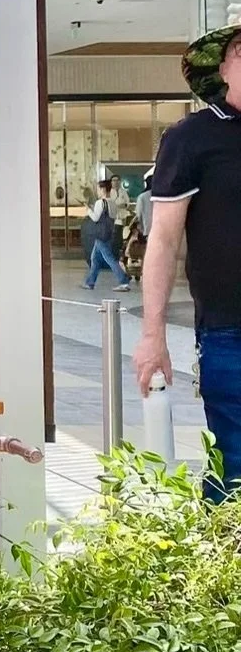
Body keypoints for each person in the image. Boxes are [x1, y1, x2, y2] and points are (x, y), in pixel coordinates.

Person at [134, 25, 241, 496]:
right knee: (235, 463)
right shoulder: (192, 137)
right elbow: (162, 240)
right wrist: (152, 336)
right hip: (228, 330)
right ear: (223, 68)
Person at [82, 179, 132, 292]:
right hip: (109, 232)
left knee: (109, 259)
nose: (97, 192)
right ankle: (90, 282)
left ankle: (124, 281)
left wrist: (88, 210)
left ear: (103, 189)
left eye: (98, 189)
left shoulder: (101, 202)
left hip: (101, 234)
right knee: (95, 258)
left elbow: (95, 218)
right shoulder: (112, 203)